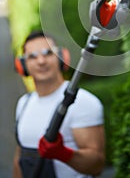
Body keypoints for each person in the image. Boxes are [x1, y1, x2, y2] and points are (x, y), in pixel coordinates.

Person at [13, 30, 105, 178]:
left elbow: (97, 166)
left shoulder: (83, 102)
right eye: (32, 56)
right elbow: (18, 159)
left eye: (48, 53)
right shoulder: (24, 103)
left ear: (62, 57)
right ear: (22, 65)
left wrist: (63, 153)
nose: (41, 61)